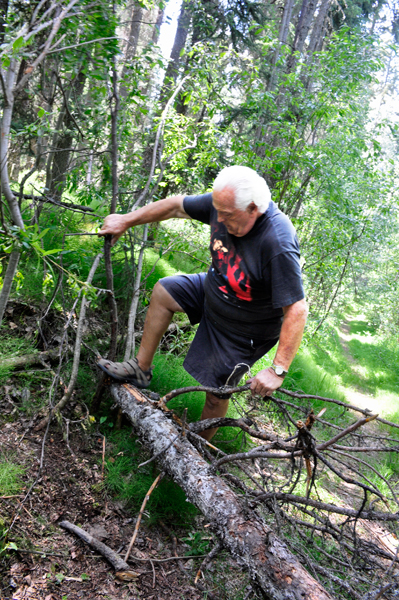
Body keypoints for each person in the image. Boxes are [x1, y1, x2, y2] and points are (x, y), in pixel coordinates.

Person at [98, 165, 308, 440]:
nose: (217, 219)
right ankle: (140, 368)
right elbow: (175, 207)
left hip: (246, 328)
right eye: (217, 210)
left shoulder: (277, 242)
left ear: (253, 209)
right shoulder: (225, 202)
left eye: (227, 215)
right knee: (164, 291)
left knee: (215, 392)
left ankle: (195, 454)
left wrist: (278, 370)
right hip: (215, 290)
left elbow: (297, 308)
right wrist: (126, 220)